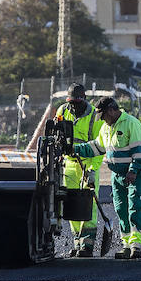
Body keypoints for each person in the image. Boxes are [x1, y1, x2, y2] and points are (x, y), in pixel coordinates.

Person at [75, 96, 141, 259]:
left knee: (135, 208)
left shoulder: (131, 123)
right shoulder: (106, 128)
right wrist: (75, 149)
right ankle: (126, 245)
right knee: (121, 209)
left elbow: (139, 152)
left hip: (134, 175)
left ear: (111, 111)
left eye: (103, 116)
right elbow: (96, 147)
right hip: (118, 176)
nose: (103, 120)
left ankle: (136, 246)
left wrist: (133, 170)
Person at [54, 84, 105, 257]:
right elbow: (56, 136)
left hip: (88, 164)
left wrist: (92, 170)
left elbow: (100, 146)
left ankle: (87, 245)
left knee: (88, 205)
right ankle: (78, 243)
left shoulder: (94, 116)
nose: (73, 106)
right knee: (72, 203)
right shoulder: (62, 110)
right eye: (71, 102)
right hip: (69, 164)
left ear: (84, 99)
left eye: (77, 102)